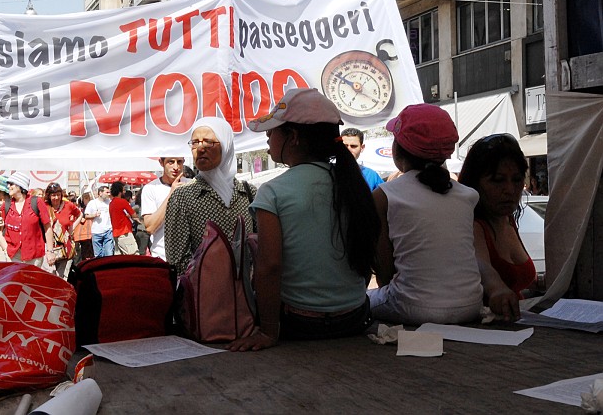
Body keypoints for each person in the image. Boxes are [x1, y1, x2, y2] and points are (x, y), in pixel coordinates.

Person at [228, 88, 380, 351]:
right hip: (355, 318)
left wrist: (268, 332)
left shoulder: (273, 191)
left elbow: (269, 267)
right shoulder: (354, 186)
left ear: (293, 137)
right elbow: (366, 260)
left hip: (299, 324)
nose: (267, 138)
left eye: (272, 130)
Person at [368, 104, 483, 325]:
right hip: (471, 306)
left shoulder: (384, 195)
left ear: (398, 149)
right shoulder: (468, 196)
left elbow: (384, 274)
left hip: (412, 308)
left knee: (362, 301)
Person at [458, 134, 536, 321]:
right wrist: (496, 288)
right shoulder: (473, 225)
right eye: (498, 180)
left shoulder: (508, 220)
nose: (509, 190)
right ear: (474, 183)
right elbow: (481, 265)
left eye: (517, 180)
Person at [165, 117, 256, 274]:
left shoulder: (248, 194)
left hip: (246, 294)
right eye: (195, 142)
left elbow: (260, 248)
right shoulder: (182, 197)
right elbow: (177, 261)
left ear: (226, 146)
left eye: (208, 142)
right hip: (203, 295)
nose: (200, 148)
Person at [0, 172, 53, 267]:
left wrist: (50, 251)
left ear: (20, 186)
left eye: (11, 184)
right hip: (13, 255)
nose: (8, 186)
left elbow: (47, 227)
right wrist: (6, 248)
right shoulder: (6, 205)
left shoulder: (37, 202)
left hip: (34, 256)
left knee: (31, 281)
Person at [142, 157, 189, 261]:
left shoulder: (192, 185)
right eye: (171, 162)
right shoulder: (151, 188)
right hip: (162, 257)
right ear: (161, 162)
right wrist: (171, 194)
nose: (176, 167)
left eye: (179, 162)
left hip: (190, 258)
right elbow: (150, 227)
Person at [45, 182, 83, 279]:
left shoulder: (68, 205)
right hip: (48, 246)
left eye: (58, 195)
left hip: (65, 246)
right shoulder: (44, 206)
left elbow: (80, 215)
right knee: (49, 275)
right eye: (53, 195)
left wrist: (72, 227)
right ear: (49, 196)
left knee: (60, 276)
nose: (56, 198)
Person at [109, 181, 139, 255]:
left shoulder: (111, 203)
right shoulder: (122, 201)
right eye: (123, 190)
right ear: (120, 191)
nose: (124, 192)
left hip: (116, 233)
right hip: (125, 232)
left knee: (120, 258)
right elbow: (134, 214)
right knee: (133, 255)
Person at [83, 185, 113, 258]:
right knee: (98, 255)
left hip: (108, 230)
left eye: (109, 192)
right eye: (107, 192)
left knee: (109, 253)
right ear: (100, 193)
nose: (108, 194)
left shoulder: (110, 202)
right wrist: (94, 215)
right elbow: (86, 216)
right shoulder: (92, 203)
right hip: (96, 231)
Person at [73, 191, 95, 261]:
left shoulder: (81, 209)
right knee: (88, 252)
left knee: (84, 252)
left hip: (83, 233)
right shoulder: (87, 209)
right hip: (87, 232)